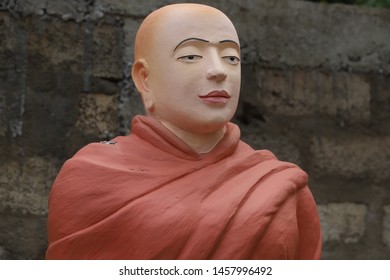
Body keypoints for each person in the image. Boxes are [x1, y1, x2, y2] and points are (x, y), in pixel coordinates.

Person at [46, 3, 322, 259]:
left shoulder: (280, 182)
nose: (218, 71)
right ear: (145, 78)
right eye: (191, 56)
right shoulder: (92, 176)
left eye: (231, 58)